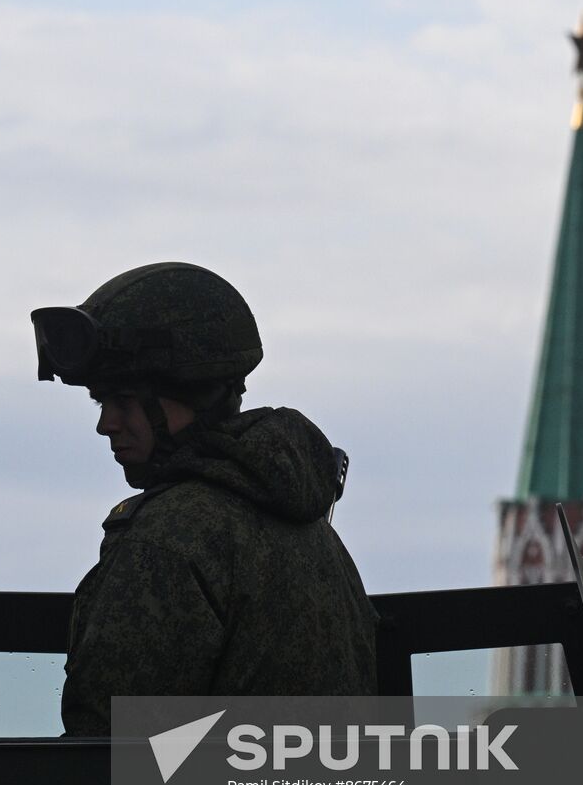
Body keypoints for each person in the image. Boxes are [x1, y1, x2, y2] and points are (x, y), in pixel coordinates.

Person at [31, 262, 379, 737]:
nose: (106, 423)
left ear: (191, 394)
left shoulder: (173, 535)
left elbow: (107, 750)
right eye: (101, 402)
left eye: (125, 400)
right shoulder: (305, 521)